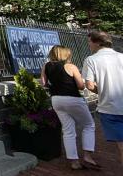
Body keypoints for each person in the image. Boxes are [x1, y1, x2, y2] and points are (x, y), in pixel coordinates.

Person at [41, 45, 99, 170]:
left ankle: (74, 162)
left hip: (56, 100)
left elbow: (44, 84)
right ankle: (88, 156)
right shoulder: (71, 66)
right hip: (73, 98)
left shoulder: (46, 66)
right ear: (65, 54)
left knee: (68, 131)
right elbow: (81, 86)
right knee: (89, 125)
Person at [84, 31, 123, 166]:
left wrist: (102, 90)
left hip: (110, 108)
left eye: (89, 41)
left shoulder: (91, 60)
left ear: (97, 42)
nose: (88, 44)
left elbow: (89, 84)